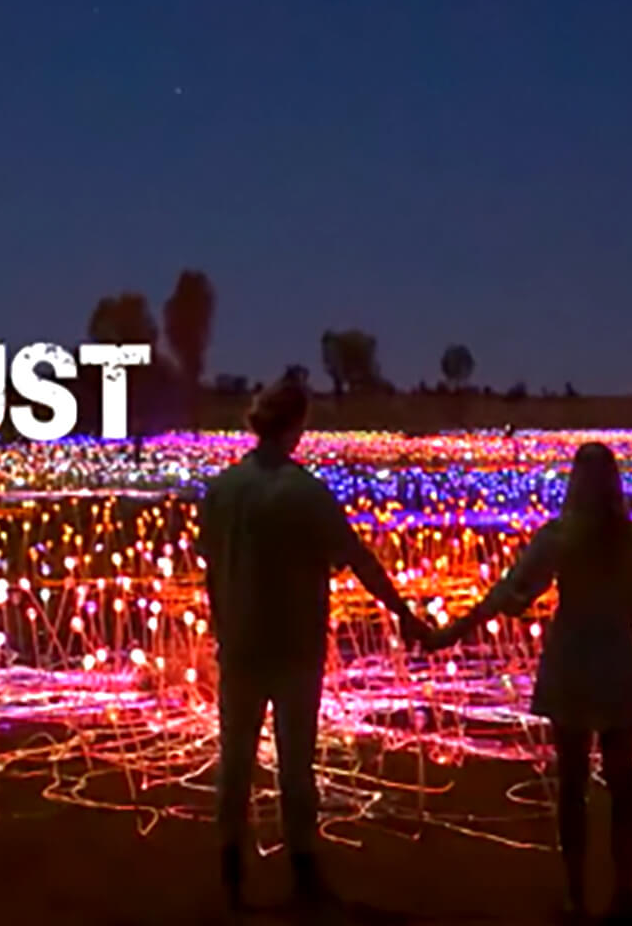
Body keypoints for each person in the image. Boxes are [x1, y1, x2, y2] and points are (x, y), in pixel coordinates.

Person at [197, 378, 431, 911]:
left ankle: (230, 869)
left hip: (239, 643)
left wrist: (224, 624)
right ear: (296, 426)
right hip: (294, 645)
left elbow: (211, 562)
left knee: (234, 761)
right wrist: (405, 617)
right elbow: (358, 558)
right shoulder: (304, 492)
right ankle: (303, 872)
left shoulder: (222, 490)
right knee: (296, 765)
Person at [425, 442, 632, 918]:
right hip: (618, 664)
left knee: (572, 785)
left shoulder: (559, 537)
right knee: (622, 785)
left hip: (573, 662)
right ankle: (623, 891)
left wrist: (455, 629)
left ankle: (576, 893)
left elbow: (511, 592)